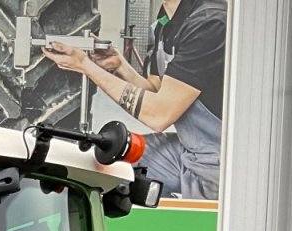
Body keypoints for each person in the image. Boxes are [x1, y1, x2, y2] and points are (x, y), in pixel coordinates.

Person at [41, 0, 227, 201]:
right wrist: (119, 65)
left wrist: (86, 66)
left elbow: (158, 115)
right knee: (116, 164)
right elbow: (157, 90)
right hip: (189, 149)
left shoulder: (210, 23)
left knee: (196, 223)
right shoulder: (167, 21)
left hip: (220, 161)